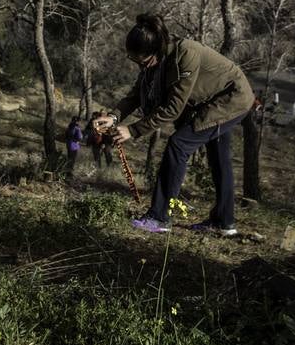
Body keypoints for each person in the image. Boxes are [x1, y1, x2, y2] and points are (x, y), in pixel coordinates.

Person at [102, 14, 254, 236]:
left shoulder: (185, 54)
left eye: (142, 62)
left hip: (231, 98)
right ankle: (224, 222)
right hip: (210, 100)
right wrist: (114, 117)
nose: (139, 66)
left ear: (155, 51)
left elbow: (173, 107)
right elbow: (136, 94)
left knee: (178, 144)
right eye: (134, 60)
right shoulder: (154, 61)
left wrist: (133, 130)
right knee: (219, 158)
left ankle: (159, 216)